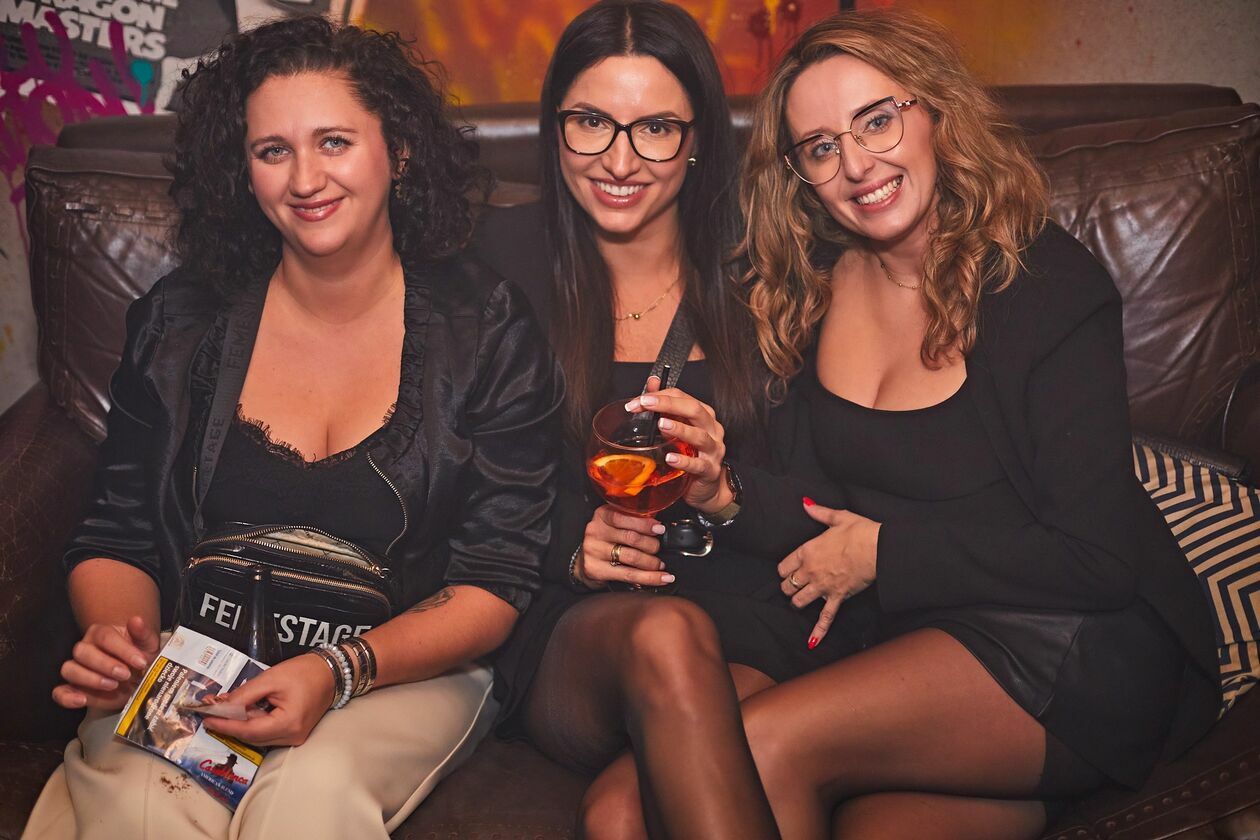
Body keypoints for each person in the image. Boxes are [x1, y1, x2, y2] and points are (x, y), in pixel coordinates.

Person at [23, 16, 561, 840]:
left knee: (309, 796)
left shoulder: (485, 328)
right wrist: (119, 639)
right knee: (141, 804)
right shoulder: (179, 323)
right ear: (244, 171)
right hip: (197, 656)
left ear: (399, 151)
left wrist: (335, 670)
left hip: (395, 672)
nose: (305, 179)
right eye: (273, 151)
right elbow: (116, 533)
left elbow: (497, 575)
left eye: (334, 142)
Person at [719, 9, 1221, 838]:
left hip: (1072, 643)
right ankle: (1024, 798)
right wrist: (722, 494)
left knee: (763, 743)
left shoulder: (1044, 283)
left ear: (935, 112)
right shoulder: (813, 289)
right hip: (917, 639)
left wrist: (884, 554)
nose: (857, 164)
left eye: (876, 120)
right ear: (799, 175)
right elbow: (823, 519)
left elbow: (1097, 562)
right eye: (820, 146)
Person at [473, 2, 872, 837]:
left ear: (697, 141)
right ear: (554, 128)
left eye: (655, 129)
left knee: (621, 821)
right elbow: (434, 480)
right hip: (573, 630)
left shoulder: (770, 264)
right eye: (590, 123)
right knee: (664, 633)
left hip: (752, 616)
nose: (619, 161)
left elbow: (837, 499)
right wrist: (568, 545)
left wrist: (726, 490)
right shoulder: (490, 263)